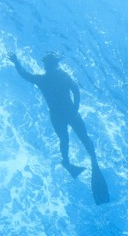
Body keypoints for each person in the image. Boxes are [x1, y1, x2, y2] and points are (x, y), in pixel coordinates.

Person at [8, 51, 109, 203]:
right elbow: (75, 89)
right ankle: (92, 161)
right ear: (55, 64)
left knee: (64, 139)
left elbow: (25, 75)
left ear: (47, 66)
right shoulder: (62, 76)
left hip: (57, 116)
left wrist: (16, 62)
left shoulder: (42, 79)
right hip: (70, 112)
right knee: (83, 137)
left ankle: (67, 163)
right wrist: (76, 106)